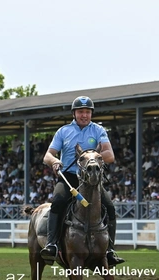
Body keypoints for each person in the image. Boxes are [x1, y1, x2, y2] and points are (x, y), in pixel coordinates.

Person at [40, 96, 125, 267]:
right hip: (70, 177)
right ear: (74, 113)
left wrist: (90, 155)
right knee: (57, 202)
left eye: (87, 112)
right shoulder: (63, 131)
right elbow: (47, 155)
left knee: (109, 207)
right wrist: (54, 161)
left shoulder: (99, 131)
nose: (84, 115)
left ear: (91, 113)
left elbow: (109, 155)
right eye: (80, 112)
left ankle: (110, 250)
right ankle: (52, 245)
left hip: (92, 179)